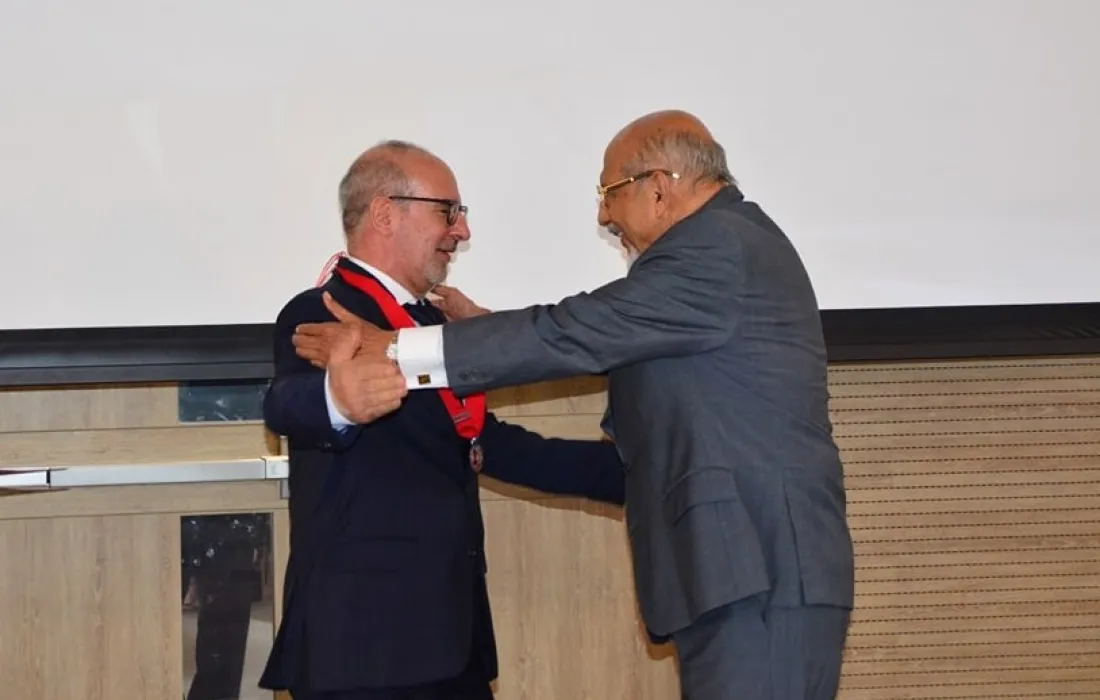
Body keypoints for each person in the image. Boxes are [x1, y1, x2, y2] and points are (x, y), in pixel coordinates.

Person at [294, 111, 856, 700]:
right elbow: (600, 336)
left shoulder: (714, 246)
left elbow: (579, 331)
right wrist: (487, 330)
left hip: (756, 568)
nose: (604, 216)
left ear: (658, 187)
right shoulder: (728, 245)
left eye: (609, 194)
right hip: (747, 567)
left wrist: (396, 347)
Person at [258, 140, 625, 700]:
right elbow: (287, 403)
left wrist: (643, 473)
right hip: (364, 652)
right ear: (385, 212)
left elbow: (485, 444)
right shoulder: (319, 311)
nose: (461, 232)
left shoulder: (431, 326)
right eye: (447, 212)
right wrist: (336, 399)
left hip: (451, 644)